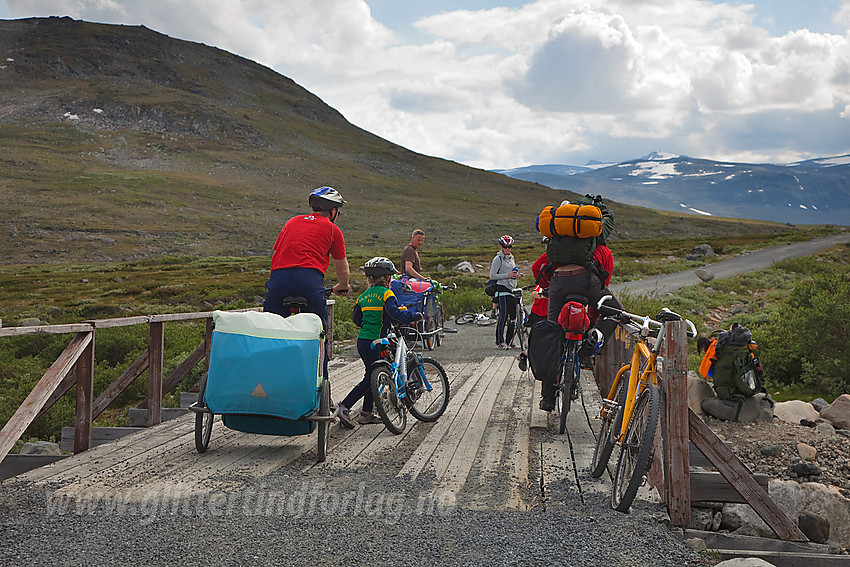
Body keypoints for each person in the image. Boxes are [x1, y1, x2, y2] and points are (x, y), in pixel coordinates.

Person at [539, 198, 622, 411]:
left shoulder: (556, 229)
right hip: (585, 281)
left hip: (558, 282)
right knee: (615, 311)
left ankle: (547, 397)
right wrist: (605, 211)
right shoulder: (590, 230)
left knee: (552, 332)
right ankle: (590, 346)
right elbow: (606, 227)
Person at [262, 186, 350, 379]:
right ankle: (321, 385)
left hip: (279, 279)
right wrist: (343, 285)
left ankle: (267, 380)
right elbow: (341, 268)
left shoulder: (291, 222)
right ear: (333, 210)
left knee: (269, 330)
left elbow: (277, 253)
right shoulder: (333, 229)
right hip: (309, 280)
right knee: (319, 334)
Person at [336, 257, 423, 427]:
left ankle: (366, 413)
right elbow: (395, 315)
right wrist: (414, 316)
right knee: (370, 377)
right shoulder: (386, 294)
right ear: (385, 277)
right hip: (377, 341)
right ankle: (344, 406)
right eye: (390, 275)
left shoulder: (362, 297)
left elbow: (357, 320)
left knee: (372, 374)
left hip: (363, 341)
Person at [489, 235, 524, 349]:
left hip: (511, 289)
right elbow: (493, 275)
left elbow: (511, 273)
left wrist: (516, 276)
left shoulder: (511, 258)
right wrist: (507, 275)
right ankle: (500, 341)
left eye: (509, 246)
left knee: (513, 317)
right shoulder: (497, 259)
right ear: (501, 246)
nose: (508, 249)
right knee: (503, 316)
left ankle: (509, 341)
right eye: (505, 247)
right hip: (502, 290)